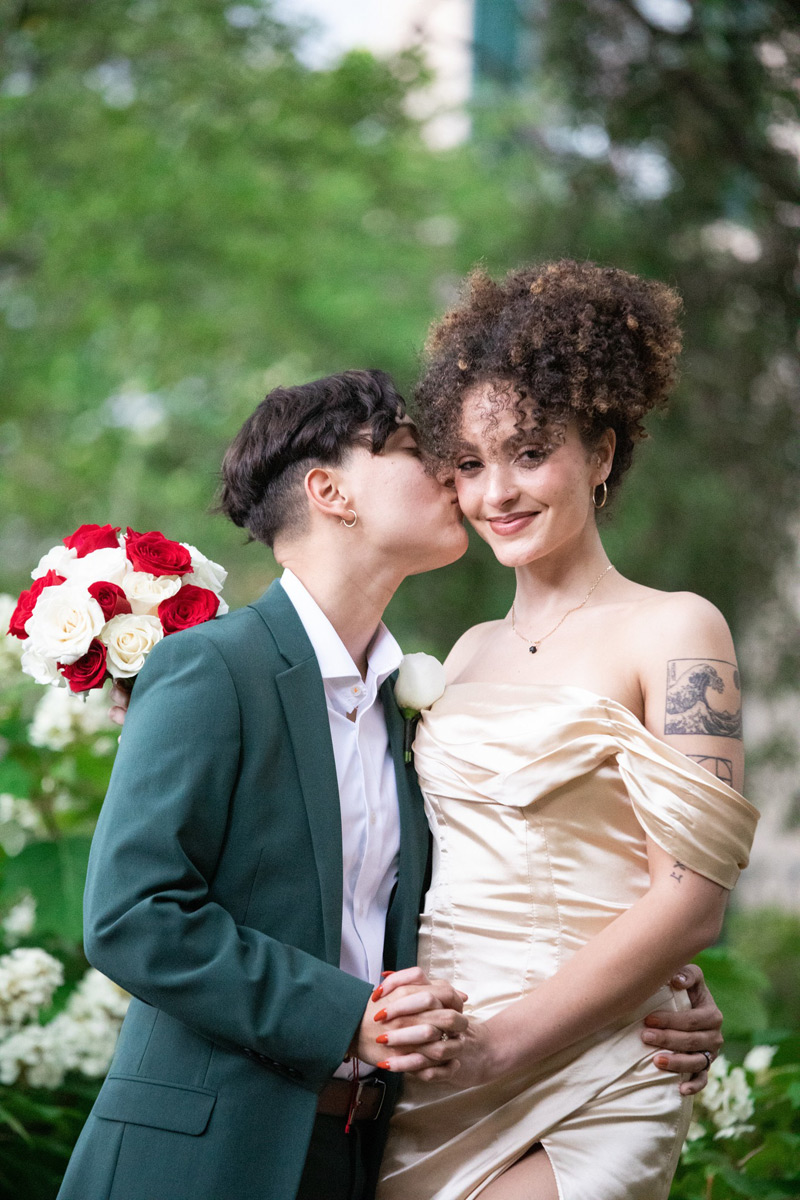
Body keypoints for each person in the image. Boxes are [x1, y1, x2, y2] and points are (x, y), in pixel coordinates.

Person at [60, 366, 726, 1200]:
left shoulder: (416, 704)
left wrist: (652, 989)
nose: (456, 476)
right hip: (205, 1151)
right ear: (330, 491)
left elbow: (492, 880)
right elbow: (130, 916)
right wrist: (349, 1017)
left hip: (366, 1147)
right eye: (419, 451)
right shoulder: (212, 666)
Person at [373, 261, 759, 1200]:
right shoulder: (460, 655)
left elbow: (692, 902)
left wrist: (500, 1046)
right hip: (438, 1075)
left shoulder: (676, 629)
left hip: (596, 1064)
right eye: (469, 464)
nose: (496, 491)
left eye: (530, 451)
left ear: (604, 450)